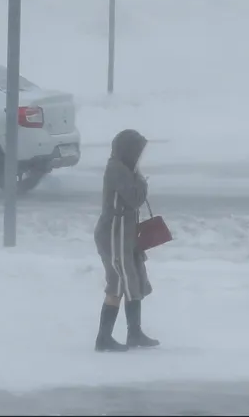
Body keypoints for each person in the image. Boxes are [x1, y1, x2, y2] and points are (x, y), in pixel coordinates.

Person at [95, 128, 159, 352]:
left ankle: (134, 333)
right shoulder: (116, 170)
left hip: (126, 234)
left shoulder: (124, 168)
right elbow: (134, 199)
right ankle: (103, 338)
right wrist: (143, 183)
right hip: (114, 234)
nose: (140, 156)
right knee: (119, 282)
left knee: (134, 279)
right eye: (137, 151)